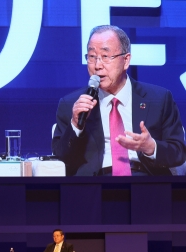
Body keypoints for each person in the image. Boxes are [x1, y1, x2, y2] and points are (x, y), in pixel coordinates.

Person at [52, 25, 186, 176]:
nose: (97, 65)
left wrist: (151, 147)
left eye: (106, 56)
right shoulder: (72, 104)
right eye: (91, 57)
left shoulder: (159, 99)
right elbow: (60, 159)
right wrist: (76, 125)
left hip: (146, 182)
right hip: (94, 185)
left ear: (126, 60)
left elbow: (178, 153)